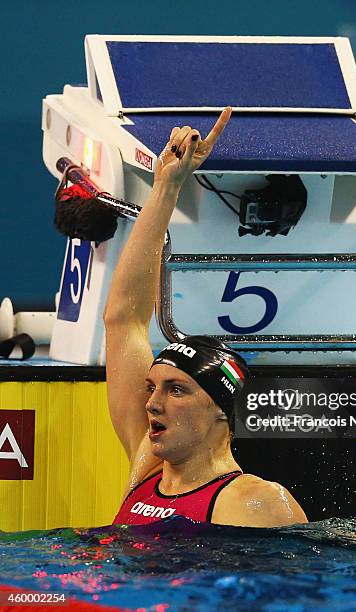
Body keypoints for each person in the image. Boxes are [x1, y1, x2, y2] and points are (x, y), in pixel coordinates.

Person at [104, 107, 308, 528]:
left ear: (221, 409)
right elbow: (124, 319)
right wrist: (165, 186)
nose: (152, 403)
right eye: (152, 387)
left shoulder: (255, 502)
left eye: (176, 390)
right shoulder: (146, 470)